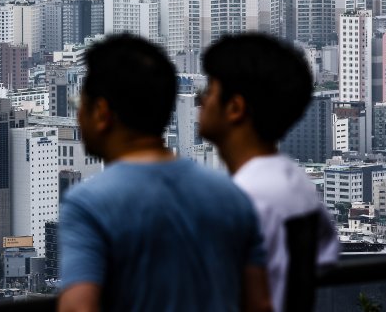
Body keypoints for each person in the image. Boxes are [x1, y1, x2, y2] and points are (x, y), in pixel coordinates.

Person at [58, 34, 272, 312]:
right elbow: (261, 304)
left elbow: (78, 308)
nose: (78, 116)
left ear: (101, 112)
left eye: (80, 105)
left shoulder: (88, 204)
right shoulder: (232, 197)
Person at [199, 33, 339, 312]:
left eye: (210, 89)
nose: (200, 99)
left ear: (235, 108)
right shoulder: (297, 185)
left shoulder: (239, 201)